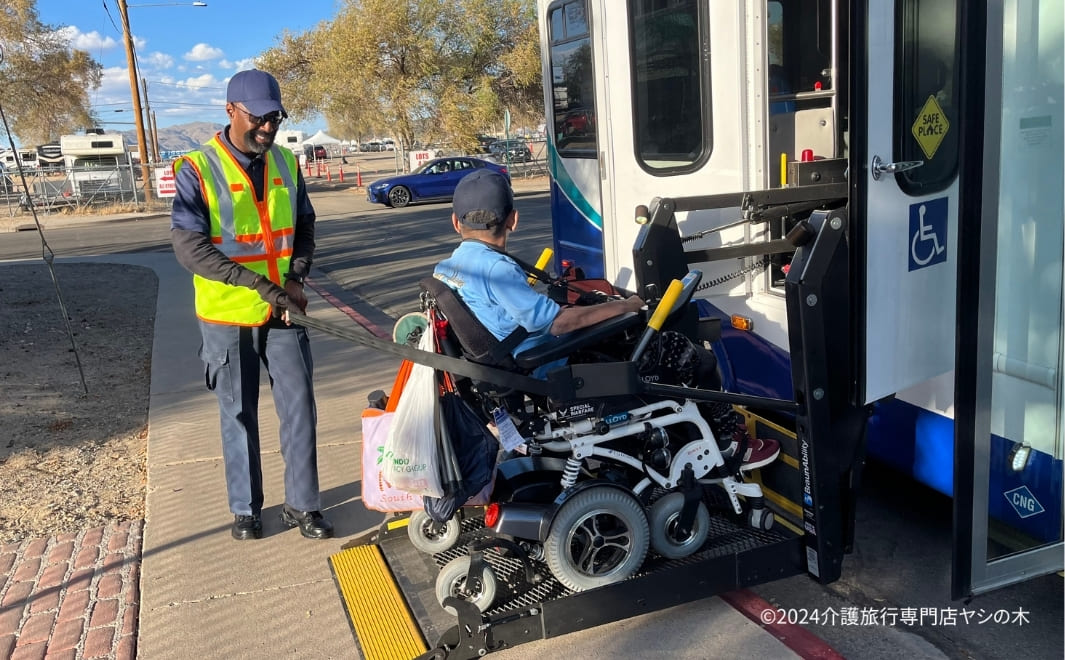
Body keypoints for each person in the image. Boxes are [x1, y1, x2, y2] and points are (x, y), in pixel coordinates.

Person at [433, 169, 780, 471]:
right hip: (549, 365)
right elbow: (559, 325)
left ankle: (684, 435)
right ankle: (729, 444)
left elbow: (516, 313)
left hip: (514, 362)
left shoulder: (448, 269)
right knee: (683, 352)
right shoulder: (496, 268)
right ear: (513, 219)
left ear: (455, 221)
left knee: (639, 343)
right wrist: (625, 307)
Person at [170, 69, 333, 541]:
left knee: (300, 407)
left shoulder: (286, 162)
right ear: (230, 111)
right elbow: (189, 248)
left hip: (283, 308)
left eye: (275, 117)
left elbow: (304, 225)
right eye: (258, 118)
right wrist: (262, 286)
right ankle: (245, 510)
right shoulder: (195, 169)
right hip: (227, 315)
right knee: (238, 413)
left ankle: (304, 506)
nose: (267, 127)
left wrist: (296, 278)